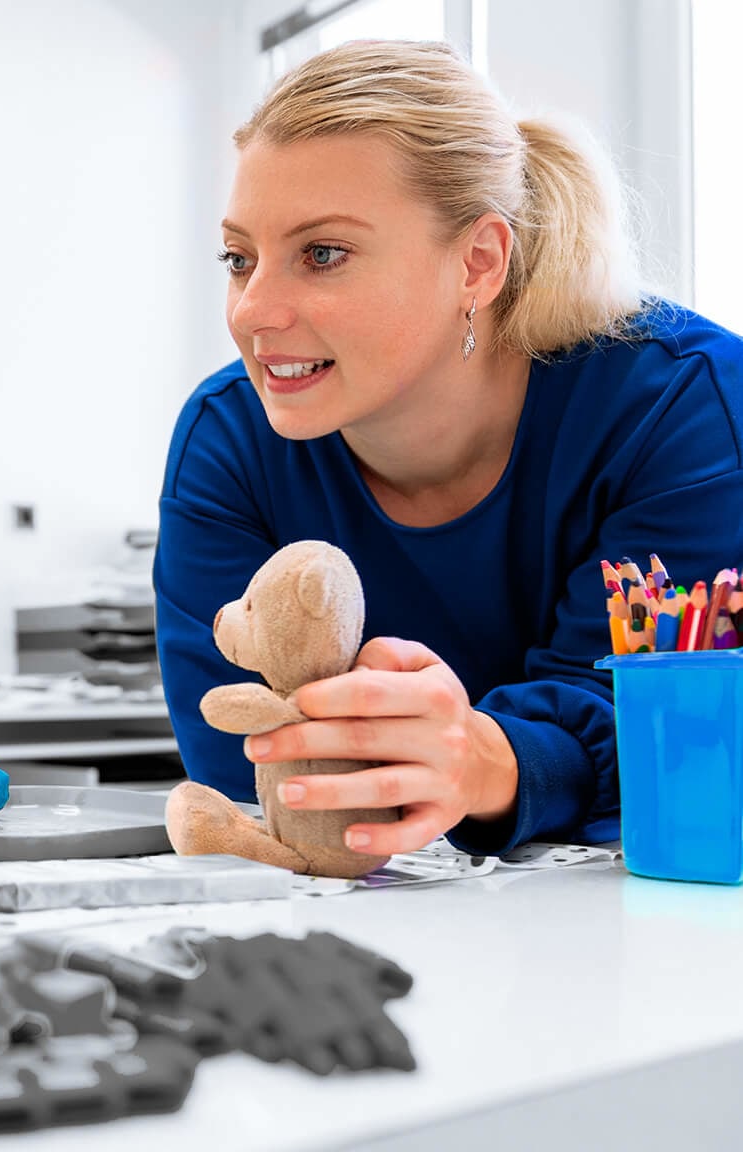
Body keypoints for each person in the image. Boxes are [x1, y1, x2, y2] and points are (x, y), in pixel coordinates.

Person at [157, 39, 743, 857]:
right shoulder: (227, 441)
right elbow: (261, 788)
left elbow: (664, 752)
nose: (253, 311)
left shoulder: (680, 404)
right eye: (239, 258)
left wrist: (489, 762)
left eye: (322, 254)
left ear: (478, 262)